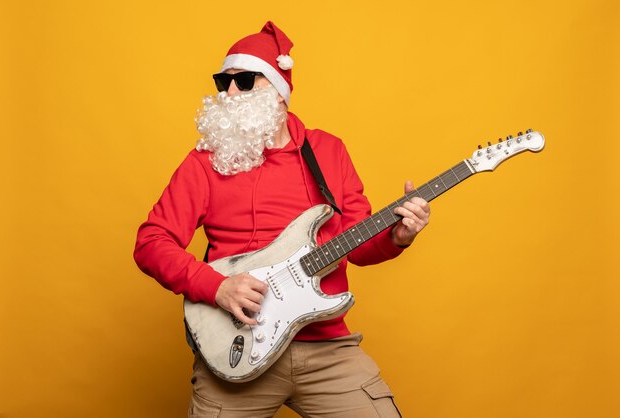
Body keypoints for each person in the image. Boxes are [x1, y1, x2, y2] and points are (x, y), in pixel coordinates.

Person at [134, 21, 430, 417]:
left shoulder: (328, 151)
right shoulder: (205, 162)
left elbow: (357, 245)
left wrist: (398, 234)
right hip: (236, 349)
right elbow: (151, 242)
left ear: (278, 89)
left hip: (326, 349)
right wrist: (217, 287)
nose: (230, 93)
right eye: (224, 83)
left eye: (243, 81)